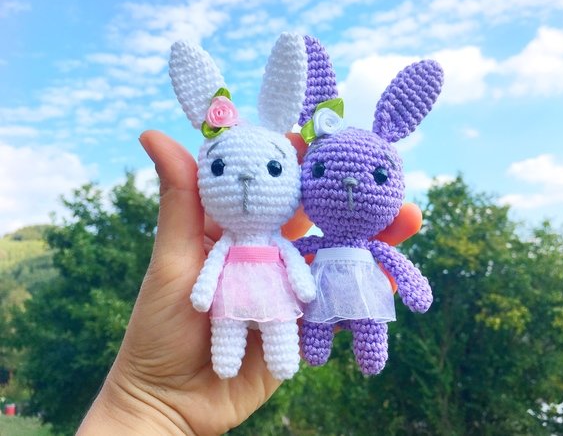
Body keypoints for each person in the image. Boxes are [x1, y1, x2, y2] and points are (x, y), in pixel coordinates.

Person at [77, 130, 422, 435]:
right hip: (239, 291)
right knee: (254, 325)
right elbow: (259, 258)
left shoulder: (304, 244)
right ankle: (239, 358)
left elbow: (299, 259)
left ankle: (327, 354)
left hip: (336, 290)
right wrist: (204, 292)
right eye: (318, 172)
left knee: (345, 324)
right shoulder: (240, 242)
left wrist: (411, 286)